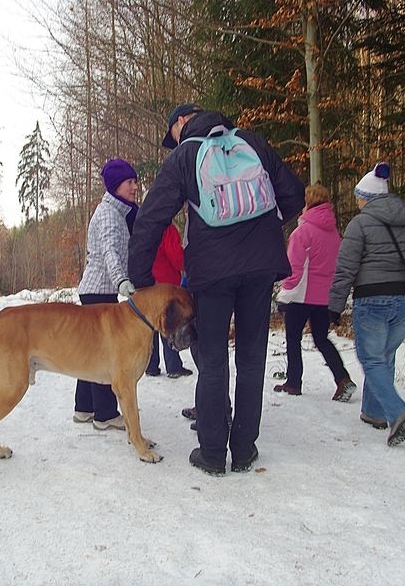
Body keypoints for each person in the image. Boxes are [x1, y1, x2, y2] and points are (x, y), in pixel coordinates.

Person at [127, 103, 304, 476]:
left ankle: (211, 453)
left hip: (212, 272)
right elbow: (294, 195)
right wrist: (262, 232)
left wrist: (141, 279)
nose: (171, 142)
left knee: (213, 359)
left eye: (170, 134)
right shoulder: (252, 143)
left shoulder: (184, 156)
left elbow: (151, 218)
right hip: (259, 267)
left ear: (180, 124)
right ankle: (243, 450)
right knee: (252, 358)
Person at [328, 162, 405, 447]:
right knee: (385, 356)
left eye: (358, 197)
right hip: (403, 301)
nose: (356, 202)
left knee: (371, 359)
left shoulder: (360, 224)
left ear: (367, 198)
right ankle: (373, 411)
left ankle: (397, 413)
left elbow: (345, 269)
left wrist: (335, 305)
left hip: (371, 300)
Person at [73, 158, 140, 431]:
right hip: (100, 291)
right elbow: (111, 251)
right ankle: (104, 414)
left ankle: (84, 408)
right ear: (115, 186)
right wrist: (122, 280)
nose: (135, 187)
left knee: (90, 352)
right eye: (129, 182)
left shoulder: (114, 210)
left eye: (135, 181)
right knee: (103, 355)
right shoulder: (109, 214)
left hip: (95, 290)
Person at [275, 182, 357, 401]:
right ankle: (342, 379)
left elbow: (294, 267)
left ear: (307, 203)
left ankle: (294, 382)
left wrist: (284, 294)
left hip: (302, 295)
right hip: (325, 296)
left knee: (293, 338)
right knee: (321, 338)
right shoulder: (334, 234)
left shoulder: (303, 232)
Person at [144, 221, 193, 379]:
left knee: (151, 324)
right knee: (168, 322)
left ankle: (150, 365)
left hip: (148, 284)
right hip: (167, 284)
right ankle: (173, 366)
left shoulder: (144, 227)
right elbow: (177, 258)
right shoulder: (166, 229)